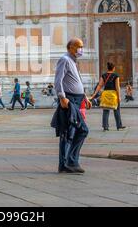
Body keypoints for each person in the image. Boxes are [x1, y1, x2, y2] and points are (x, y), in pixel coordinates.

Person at [51, 37, 91, 174]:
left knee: (69, 132)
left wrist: (85, 96)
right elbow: (58, 80)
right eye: (78, 46)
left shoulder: (73, 61)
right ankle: (71, 161)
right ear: (70, 47)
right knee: (81, 130)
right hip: (69, 100)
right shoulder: (65, 59)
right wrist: (62, 97)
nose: (81, 49)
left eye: (82, 46)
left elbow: (76, 81)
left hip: (77, 100)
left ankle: (64, 165)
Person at [90, 62, 126, 131]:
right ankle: (119, 126)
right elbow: (117, 87)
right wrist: (119, 96)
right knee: (116, 110)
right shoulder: (116, 75)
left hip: (106, 94)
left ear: (108, 68)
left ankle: (105, 127)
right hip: (113, 94)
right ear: (113, 68)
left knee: (106, 111)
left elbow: (100, 85)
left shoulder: (103, 75)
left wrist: (94, 94)